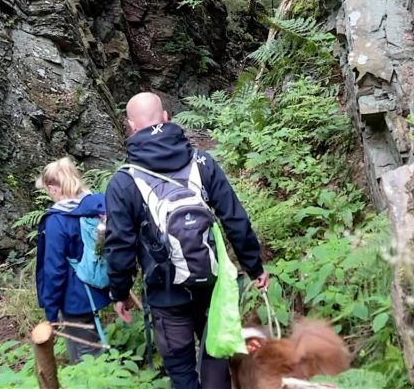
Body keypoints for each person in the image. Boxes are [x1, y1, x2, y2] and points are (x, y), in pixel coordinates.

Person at [104, 92, 269, 389]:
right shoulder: (202, 162)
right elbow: (235, 218)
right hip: (211, 286)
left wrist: (120, 292)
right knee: (215, 356)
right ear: (166, 117)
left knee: (181, 371)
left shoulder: (124, 182)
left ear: (131, 126)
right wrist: (255, 268)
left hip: (165, 294)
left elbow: (119, 246)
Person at [35, 157, 111, 364]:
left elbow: (54, 270)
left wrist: (51, 313)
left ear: (53, 188)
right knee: (92, 347)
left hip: (74, 298)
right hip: (95, 289)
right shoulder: (94, 207)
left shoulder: (57, 221)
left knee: (86, 360)